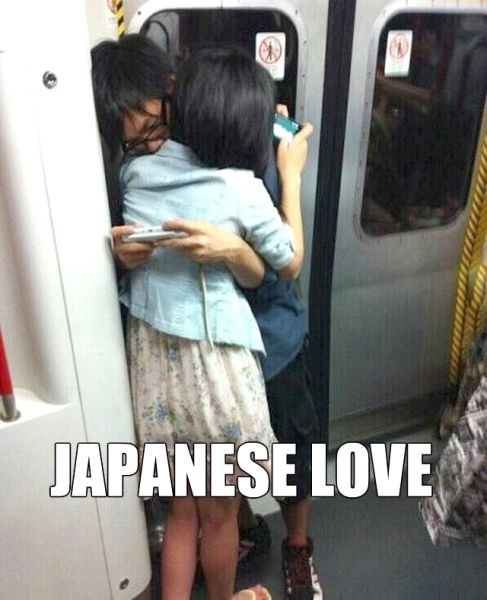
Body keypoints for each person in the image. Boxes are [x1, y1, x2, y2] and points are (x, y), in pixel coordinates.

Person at [91, 34, 321, 600]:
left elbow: (263, 275)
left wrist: (235, 252)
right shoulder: (239, 181)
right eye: (133, 130)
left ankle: (294, 546)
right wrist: (291, 179)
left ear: (176, 92)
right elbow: (288, 261)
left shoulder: (139, 171)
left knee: (184, 511)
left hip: (172, 363)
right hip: (222, 364)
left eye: (153, 116)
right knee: (219, 512)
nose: (147, 136)